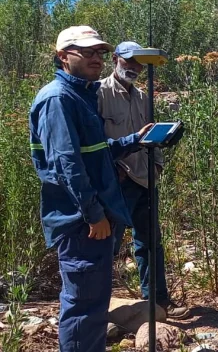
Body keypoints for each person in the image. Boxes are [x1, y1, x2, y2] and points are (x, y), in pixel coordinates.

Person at [29, 26, 152, 351]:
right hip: (82, 223)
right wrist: (94, 214)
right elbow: (66, 165)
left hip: (94, 220)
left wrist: (133, 141)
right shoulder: (58, 99)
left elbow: (93, 152)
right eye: (87, 52)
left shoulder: (81, 95)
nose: (95, 57)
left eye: (99, 52)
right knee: (84, 308)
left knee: (94, 306)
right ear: (62, 56)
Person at [98, 41, 190, 319]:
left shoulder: (142, 97)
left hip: (145, 179)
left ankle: (158, 302)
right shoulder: (99, 93)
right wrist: (114, 169)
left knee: (150, 243)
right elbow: (94, 141)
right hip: (117, 182)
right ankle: (97, 308)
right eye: (129, 61)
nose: (135, 67)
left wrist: (158, 165)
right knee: (107, 246)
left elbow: (151, 135)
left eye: (139, 62)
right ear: (114, 59)